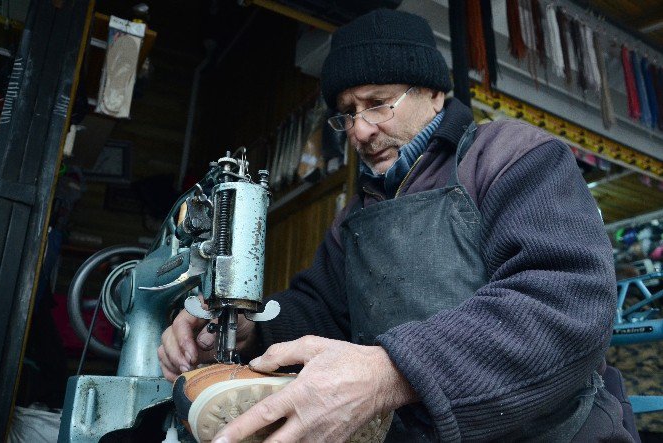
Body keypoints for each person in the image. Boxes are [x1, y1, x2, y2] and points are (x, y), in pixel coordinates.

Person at [158, 8, 638, 442]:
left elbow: (564, 305)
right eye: (346, 114)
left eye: (377, 102)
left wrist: (393, 373)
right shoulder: (359, 212)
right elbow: (324, 309)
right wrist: (251, 330)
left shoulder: (512, 156)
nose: (361, 130)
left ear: (432, 90)